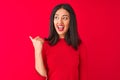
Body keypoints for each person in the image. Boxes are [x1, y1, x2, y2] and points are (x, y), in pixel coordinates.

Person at [29, 3, 88, 80]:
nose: (60, 22)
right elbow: (42, 77)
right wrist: (37, 50)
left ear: (71, 21)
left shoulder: (79, 46)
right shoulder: (45, 45)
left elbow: (84, 76)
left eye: (65, 18)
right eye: (56, 17)